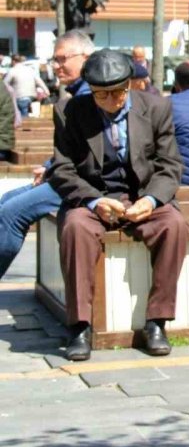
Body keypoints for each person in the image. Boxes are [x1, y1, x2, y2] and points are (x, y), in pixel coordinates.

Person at [51, 49, 189, 362]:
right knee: (74, 228)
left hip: (141, 195)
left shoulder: (156, 107)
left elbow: (170, 165)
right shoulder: (68, 111)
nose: (113, 101)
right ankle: (80, 326)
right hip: (93, 198)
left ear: (131, 84)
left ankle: (157, 322)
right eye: (102, 95)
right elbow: (62, 169)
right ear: (90, 89)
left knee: (175, 225)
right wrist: (93, 200)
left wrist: (151, 200)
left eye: (119, 92)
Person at [0, 30, 94, 279]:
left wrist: (54, 168)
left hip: (84, 184)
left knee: (11, 214)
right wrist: (49, 165)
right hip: (71, 176)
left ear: (86, 57)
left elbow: (89, 153)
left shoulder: (91, 94)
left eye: (63, 59)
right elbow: (77, 146)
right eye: (55, 60)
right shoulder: (80, 93)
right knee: (6, 201)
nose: (56, 66)